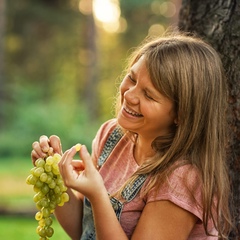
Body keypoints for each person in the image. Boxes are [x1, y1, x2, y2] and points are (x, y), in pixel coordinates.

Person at [31, 32, 233, 240]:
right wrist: (57, 179)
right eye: (132, 78)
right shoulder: (112, 136)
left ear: (181, 115)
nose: (129, 95)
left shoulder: (181, 178)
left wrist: (98, 194)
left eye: (148, 95)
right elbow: (82, 231)